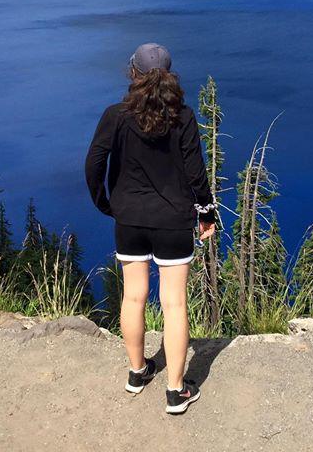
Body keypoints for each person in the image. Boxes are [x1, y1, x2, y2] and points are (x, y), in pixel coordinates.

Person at [85, 42, 216, 414]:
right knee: (174, 304)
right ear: (169, 76)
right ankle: (176, 391)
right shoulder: (183, 117)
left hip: (130, 218)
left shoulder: (116, 115)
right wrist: (206, 215)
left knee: (133, 296)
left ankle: (137, 371)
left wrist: (105, 202)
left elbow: (94, 162)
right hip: (174, 220)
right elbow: (195, 173)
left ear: (133, 72)